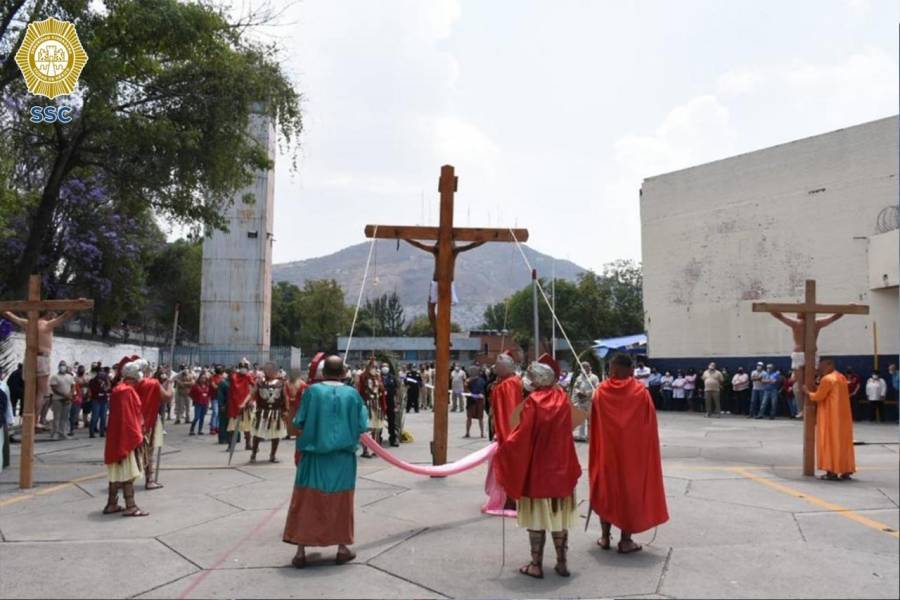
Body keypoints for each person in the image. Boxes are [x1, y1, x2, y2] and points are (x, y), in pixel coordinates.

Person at [495, 354, 585, 579]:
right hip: (562, 469)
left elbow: (522, 436)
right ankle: (562, 563)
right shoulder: (562, 398)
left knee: (536, 520)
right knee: (559, 519)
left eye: (532, 378)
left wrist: (505, 448)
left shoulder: (533, 402)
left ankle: (536, 565)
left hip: (539, 471)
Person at [283, 355, 368, 568]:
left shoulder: (312, 392)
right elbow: (362, 424)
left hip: (313, 456)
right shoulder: (353, 395)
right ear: (343, 373)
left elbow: (298, 421)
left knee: (306, 500)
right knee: (341, 502)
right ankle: (341, 548)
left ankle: (301, 551)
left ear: (323, 373)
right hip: (342, 458)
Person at [589, 352, 668, 555]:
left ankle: (605, 537)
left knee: (606, 492)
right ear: (630, 370)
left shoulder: (600, 392)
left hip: (607, 455)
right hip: (632, 458)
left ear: (612, 370)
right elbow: (649, 427)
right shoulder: (640, 392)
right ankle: (625, 541)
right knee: (629, 495)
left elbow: (594, 426)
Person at [1, 310, 76, 428]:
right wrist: (75, 307)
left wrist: (4, 308)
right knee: (41, 392)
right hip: (42, 357)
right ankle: (34, 421)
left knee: (29, 391)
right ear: (49, 314)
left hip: (29, 357)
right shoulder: (47, 324)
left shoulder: (27, 323)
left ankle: (27, 419)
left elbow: (9, 315)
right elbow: (65, 316)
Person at [402, 238, 484, 344]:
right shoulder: (447, 250)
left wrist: (404, 238)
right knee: (437, 311)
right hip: (442, 282)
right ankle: (440, 335)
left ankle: (442, 336)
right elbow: (472, 245)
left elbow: (419, 244)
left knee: (438, 311)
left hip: (443, 283)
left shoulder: (444, 250)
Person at [103, 357, 149, 517]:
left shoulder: (118, 389)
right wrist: (138, 435)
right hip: (125, 437)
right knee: (128, 472)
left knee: (115, 473)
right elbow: (130, 418)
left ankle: (111, 504)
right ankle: (131, 506)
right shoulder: (127, 391)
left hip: (115, 437)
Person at [483, 351, 523, 515]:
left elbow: (509, 413)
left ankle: (511, 500)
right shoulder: (504, 383)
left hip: (508, 435)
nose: (495, 369)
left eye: (498, 366)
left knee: (509, 468)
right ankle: (506, 499)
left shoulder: (509, 385)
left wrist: (505, 436)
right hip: (501, 433)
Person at [803, 358, 855, 481]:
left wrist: (807, 392)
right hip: (843, 417)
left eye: (821, 366)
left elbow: (818, 397)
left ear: (829, 364)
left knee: (829, 442)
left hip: (830, 416)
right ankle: (846, 470)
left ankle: (831, 471)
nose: (819, 369)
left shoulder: (827, 379)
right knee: (843, 442)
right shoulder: (841, 377)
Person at [135, 362, 172, 489]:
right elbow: (166, 397)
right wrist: (170, 384)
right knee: (148, 451)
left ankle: (123, 481)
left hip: (132, 421)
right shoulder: (152, 383)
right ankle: (149, 479)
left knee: (130, 452)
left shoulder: (124, 384)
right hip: (148, 420)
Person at [250, 362, 287, 463]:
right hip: (262, 411)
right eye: (267, 369)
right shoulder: (259, 382)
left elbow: (284, 397)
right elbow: (252, 394)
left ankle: (272, 455)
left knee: (275, 435)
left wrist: (285, 410)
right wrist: (246, 402)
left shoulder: (281, 383)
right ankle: (253, 453)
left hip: (276, 412)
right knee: (257, 434)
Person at [357, 358, 386, 457]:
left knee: (376, 429)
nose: (374, 369)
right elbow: (360, 391)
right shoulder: (363, 377)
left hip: (377, 405)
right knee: (367, 428)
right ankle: (366, 450)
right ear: (368, 367)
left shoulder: (378, 377)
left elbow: (381, 390)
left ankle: (376, 450)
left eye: (376, 367)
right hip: (367, 405)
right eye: (373, 366)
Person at [227, 359, 256, 452]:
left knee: (247, 427)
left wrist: (251, 400)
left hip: (245, 405)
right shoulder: (233, 376)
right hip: (235, 405)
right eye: (242, 367)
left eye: (245, 367)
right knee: (232, 427)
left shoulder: (248, 376)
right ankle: (230, 445)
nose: (243, 369)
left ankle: (248, 444)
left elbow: (254, 387)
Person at [571, 362, 599, 441]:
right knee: (581, 420)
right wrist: (578, 393)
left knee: (591, 419)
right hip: (581, 401)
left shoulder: (594, 377)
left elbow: (597, 388)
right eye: (583, 367)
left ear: (590, 367)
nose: (584, 369)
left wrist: (589, 394)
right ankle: (582, 436)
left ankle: (591, 436)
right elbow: (575, 387)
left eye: (586, 367)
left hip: (590, 401)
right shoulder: (579, 378)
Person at [49, 360, 75, 440]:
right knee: (57, 417)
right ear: (58, 367)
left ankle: (63, 432)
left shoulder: (70, 376)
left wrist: (70, 395)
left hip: (67, 400)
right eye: (61, 365)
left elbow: (73, 386)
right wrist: (64, 395)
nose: (62, 367)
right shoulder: (55, 377)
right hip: (57, 399)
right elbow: (54, 388)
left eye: (63, 365)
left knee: (65, 417)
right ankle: (55, 433)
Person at [89, 365, 110, 437]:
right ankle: (92, 432)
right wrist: (102, 390)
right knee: (95, 417)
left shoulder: (105, 381)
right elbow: (94, 391)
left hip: (104, 400)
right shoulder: (93, 381)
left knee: (103, 417)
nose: (102, 374)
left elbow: (108, 388)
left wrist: (107, 382)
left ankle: (102, 432)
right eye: (100, 372)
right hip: (96, 400)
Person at [465, 367, 487, 438]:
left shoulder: (481, 380)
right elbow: (466, 390)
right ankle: (467, 433)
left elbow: (484, 390)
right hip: (471, 401)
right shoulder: (468, 381)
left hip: (479, 402)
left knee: (480, 418)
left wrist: (483, 399)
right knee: (469, 418)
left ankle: (482, 433)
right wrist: (470, 393)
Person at [381, 362, 399, 447]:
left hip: (390, 401)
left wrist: (396, 402)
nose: (385, 368)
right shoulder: (377, 377)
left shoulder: (392, 377)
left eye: (386, 366)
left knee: (391, 420)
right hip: (380, 401)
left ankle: (393, 439)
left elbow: (396, 390)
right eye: (383, 366)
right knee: (379, 420)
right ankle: (378, 438)